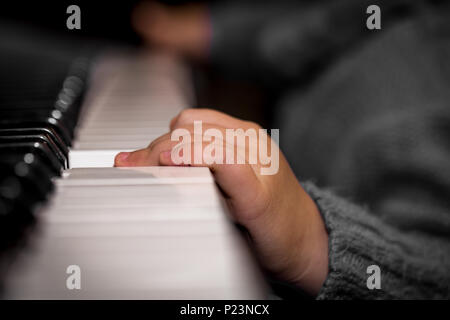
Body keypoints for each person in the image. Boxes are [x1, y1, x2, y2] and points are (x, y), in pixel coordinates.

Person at [115, 0, 450, 299]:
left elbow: (438, 271)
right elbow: (305, 25)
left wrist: (311, 244)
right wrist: (214, 31)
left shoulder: (418, 97)